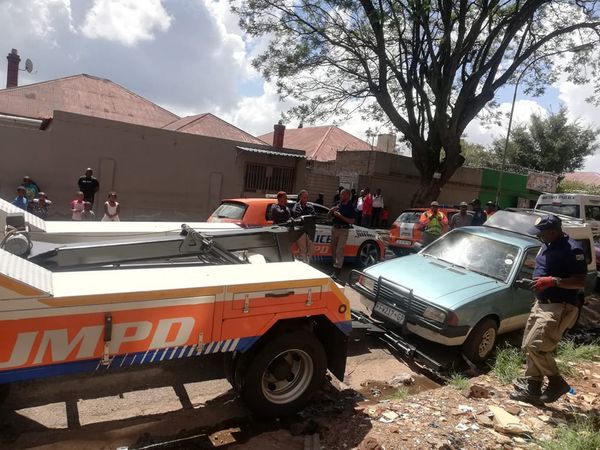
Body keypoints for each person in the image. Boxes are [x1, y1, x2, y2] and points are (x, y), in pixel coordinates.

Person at [510, 215, 586, 405]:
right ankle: (533, 388)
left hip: (559, 306)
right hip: (541, 303)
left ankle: (557, 382)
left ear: (553, 231)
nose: (539, 237)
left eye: (542, 233)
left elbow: (580, 281)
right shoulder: (548, 244)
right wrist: (534, 283)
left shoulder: (573, 249)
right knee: (528, 346)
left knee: (537, 347)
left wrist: (553, 281)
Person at [329, 188, 355, 280]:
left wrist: (340, 216)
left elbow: (352, 221)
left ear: (348, 196)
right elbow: (328, 216)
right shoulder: (337, 204)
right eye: (340, 194)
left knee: (339, 250)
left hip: (343, 230)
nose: (341, 196)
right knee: (334, 249)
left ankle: (337, 272)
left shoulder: (350, 207)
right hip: (334, 228)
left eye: (343, 195)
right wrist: (331, 210)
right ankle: (334, 268)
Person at [292, 189, 316, 263]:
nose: (305, 199)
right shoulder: (296, 206)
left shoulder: (310, 207)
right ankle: (306, 264)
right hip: (301, 230)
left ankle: (308, 261)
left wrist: (306, 217)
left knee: (311, 249)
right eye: (304, 197)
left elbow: (314, 216)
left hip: (310, 230)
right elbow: (295, 216)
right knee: (303, 249)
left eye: (307, 197)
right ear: (300, 197)